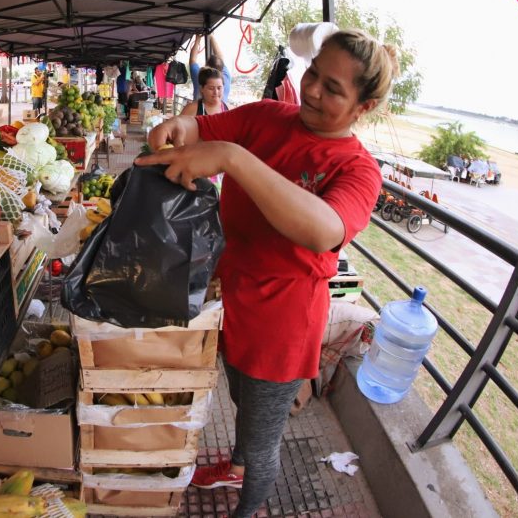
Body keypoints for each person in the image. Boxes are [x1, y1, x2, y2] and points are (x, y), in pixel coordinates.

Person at [138, 29, 396, 518]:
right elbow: (201, 129)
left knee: (262, 440)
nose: (312, 90)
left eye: (332, 89)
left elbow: (324, 229)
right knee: (240, 399)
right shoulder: (265, 117)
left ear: (363, 107)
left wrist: (234, 157)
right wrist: (176, 127)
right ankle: (235, 467)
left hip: (282, 323)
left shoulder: (358, 170)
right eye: (313, 73)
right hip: (230, 296)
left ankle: (250, 505)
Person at [188, 33, 233, 101]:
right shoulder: (225, 78)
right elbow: (220, 58)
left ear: (207, 66)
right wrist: (211, 36)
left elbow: (192, 60)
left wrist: (197, 40)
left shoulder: (199, 78)